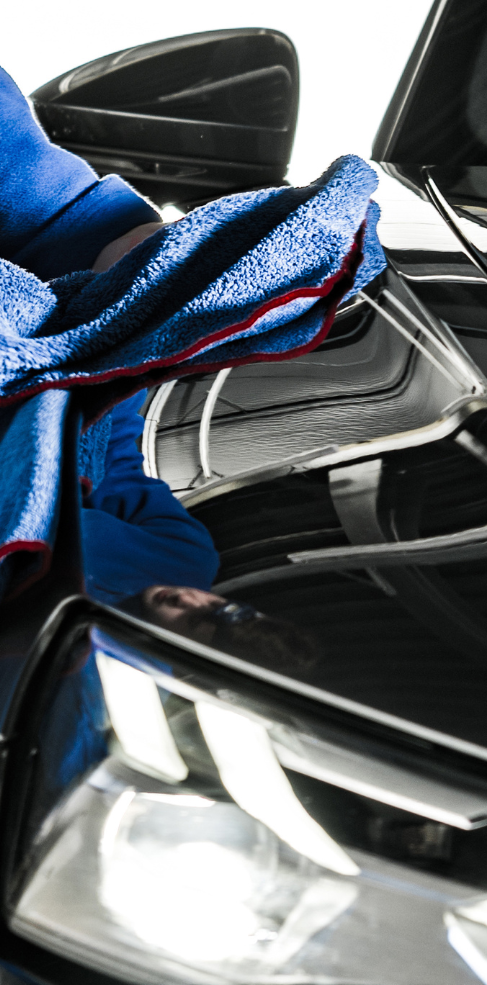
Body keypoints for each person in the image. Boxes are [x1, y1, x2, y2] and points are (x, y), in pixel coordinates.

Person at [2, 65, 318, 673]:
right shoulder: (182, 559)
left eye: (201, 628)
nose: (195, 603)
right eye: (227, 610)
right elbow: (116, 465)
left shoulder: (58, 661)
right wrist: (109, 369)